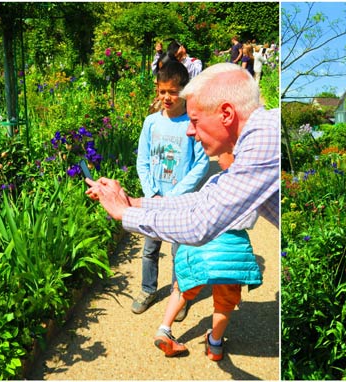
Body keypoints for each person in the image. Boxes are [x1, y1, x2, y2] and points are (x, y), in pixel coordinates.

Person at [85, 62, 279, 247]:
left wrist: (124, 213)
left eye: (195, 121)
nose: (190, 131)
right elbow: (205, 198)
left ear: (226, 114)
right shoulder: (256, 138)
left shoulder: (263, 140)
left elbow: (199, 225)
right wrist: (133, 202)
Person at [152, 151, 262, 361]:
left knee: (182, 288)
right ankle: (215, 345)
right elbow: (250, 219)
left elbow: (197, 207)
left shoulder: (216, 180)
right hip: (232, 250)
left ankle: (164, 329)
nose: (217, 156)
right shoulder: (253, 187)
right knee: (225, 301)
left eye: (222, 152)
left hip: (202, 243)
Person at [133, 60, 210, 316]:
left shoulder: (192, 123)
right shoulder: (151, 123)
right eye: (162, 91)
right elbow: (142, 160)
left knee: (180, 252)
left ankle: (180, 295)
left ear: (185, 91)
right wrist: (150, 191)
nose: (166, 97)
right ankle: (148, 289)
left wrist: (177, 195)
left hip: (180, 203)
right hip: (155, 199)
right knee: (150, 249)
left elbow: (201, 163)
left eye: (172, 92)